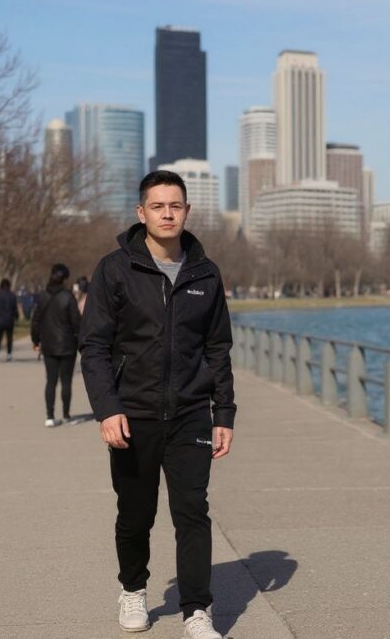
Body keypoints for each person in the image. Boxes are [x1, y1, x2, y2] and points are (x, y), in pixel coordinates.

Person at [80, 170, 235, 639]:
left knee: (192, 511)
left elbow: (218, 349)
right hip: (133, 413)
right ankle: (133, 589)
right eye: (158, 206)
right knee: (135, 514)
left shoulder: (205, 273)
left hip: (190, 414)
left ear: (187, 212)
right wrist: (107, 408)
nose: (167, 214)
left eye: (175, 206)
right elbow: (95, 346)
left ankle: (196, 609)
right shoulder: (115, 268)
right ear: (141, 213)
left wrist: (223, 412)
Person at [31, 263, 81, 427]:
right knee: (66, 381)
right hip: (67, 345)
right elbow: (76, 323)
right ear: (65, 279)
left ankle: (50, 416)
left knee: (51, 381)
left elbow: (36, 320)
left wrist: (36, 340)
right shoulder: (68, 297)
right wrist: (81, 341)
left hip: (49, 345)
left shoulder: (43, 296)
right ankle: (66, 415)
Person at [0, 278, 19, 362]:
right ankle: (9, 354)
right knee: (9, 338)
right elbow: (15, 309)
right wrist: (17, 318)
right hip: (10, 320)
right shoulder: (12, 296)